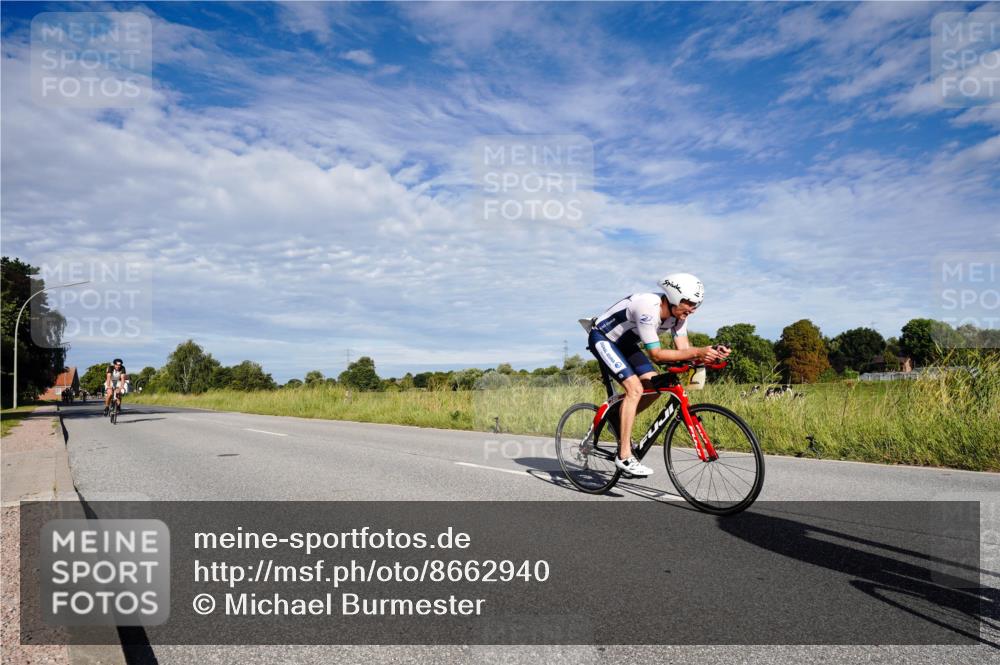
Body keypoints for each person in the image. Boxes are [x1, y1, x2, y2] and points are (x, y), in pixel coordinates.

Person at [587, 273, 730, 477]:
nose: (692, 309)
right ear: (672, 297)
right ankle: (624, 455)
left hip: (626, 344)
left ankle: (618, 421)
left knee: (653, 388)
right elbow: (657, 355)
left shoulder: (680, 316)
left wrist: (711, 355)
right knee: (635, 389)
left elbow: (683, 352)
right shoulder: (648, 307)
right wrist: (699, 351)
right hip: (603, 338)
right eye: (689, 303)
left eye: (696, 304)